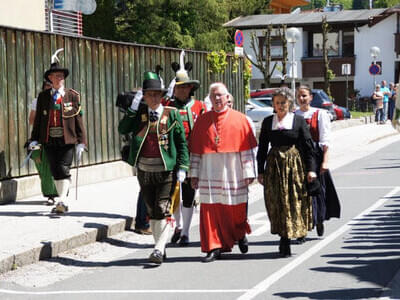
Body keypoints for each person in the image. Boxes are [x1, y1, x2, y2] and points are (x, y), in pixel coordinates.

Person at [118, 71, 189, 265]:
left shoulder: (171, 114)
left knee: (162, 208)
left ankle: (157, 249)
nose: (153, 98)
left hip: (166, 170)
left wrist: (182, 167)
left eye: (157, 94)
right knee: (152, 210)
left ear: (162, 96)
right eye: (149, 94)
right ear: (145, 96)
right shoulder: (140, 115)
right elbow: (123, 129)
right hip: (144, 170)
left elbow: (181, 143)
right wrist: (132, 108)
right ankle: (161, 246)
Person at [189, 82, 257, 263]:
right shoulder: (202, 121)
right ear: (210, 99)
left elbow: (246, 150)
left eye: (220, 95)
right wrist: (193, 174)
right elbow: (196, 151)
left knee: (236, 209)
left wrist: (249, 171)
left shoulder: (240, 119)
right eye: (214, 96)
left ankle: (240, 233)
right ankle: (213, 247)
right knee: (210, 210)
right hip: (209, 172)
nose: (217, 98)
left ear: (228, 97)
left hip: (233, 170)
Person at [257, 87, 317, 257]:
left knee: (293, 201)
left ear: (289, 103)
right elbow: (262, 148)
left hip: (294, 166)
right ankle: (283, 236)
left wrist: (311, 170)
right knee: (276, 201)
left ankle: (289, 237)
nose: (280, 105)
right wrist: (260, 171)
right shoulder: (268, 122)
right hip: (274, 166)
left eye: (283, 102)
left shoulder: (298, 121)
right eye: (277, 103)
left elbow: (308, 147)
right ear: (273, 105)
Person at [30, 50, 87, 214]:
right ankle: (62, 201)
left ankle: (62, 200)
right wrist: (34, 139)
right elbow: (39, 121)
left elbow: (78, 120)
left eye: (61, 76)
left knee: (63, 168)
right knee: (55, 170)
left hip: (67, 138)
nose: (59, 78)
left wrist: (82, 142)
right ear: (50, 78)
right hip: (48, 139)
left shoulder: (72, 96)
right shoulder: (43, 97)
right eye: (55, 76)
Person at [164, 57, 207, 246]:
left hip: (192, 156)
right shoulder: (168, 106)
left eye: (185, 87)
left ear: (190, 88)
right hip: (171, 156)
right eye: (178, 87)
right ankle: (178, 226)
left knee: (189, 193)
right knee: (173, 192)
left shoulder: (199, 107)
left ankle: (187, 232)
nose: (182, 90)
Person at [295, 85, 341, 238]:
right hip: (298, 157)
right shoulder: (293, 115)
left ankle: (319, 218)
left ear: (310, 97)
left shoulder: (319, 114)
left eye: (304, 96)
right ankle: (301, 226)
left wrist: (325, 162)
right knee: (299, 192)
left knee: (316, 189)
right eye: (299, 96)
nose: (301, 99)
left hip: (315, 155)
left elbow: (325, 140)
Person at [28, 80, 59, 205]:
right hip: (38, 138)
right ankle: (49, 189)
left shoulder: (58, 99)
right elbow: (31, 121)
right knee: (40, 165)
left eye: (51, 86)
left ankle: (53, 194)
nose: (49, 88)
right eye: (46, 86)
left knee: (51, 166)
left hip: (54, 138)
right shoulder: (37, 101)